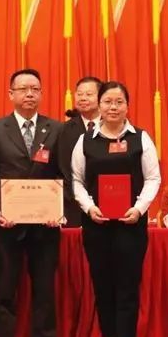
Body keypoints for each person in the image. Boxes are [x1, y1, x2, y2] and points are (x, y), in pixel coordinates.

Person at [71, 81, 161, 337]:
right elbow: (76, 180)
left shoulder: (141, 139)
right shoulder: (86, 140)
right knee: (102, 282)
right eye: (108, 102)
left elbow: (153, 178)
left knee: (127, 282)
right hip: (96, 223)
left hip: (130, 223)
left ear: (127, 105)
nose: (113, 107)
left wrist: (139, 208)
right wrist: (89, 207)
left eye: (119, 102)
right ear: (99, 105)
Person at [0, 69, 66, 337]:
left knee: (44, 290)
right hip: (7, 226)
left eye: (35, 89)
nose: (29, 94)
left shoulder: (56, 129)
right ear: (11, 94)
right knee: (5, 290)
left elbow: (64, 175)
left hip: (45, 226)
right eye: (23, 89)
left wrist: (58, 210)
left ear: (41, 93)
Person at [55, 77, 102, 226]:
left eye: (89, 94)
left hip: (105, 201)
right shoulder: (63, 130)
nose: (83, 98)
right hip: (72, 205)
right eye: (79, 94)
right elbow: (61, 168)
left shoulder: (112, 126)